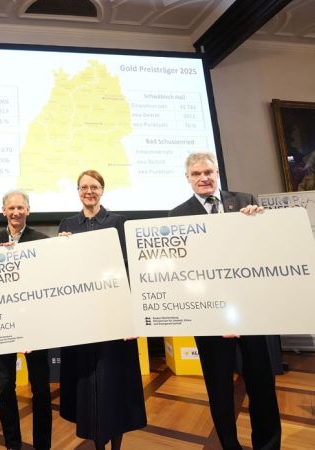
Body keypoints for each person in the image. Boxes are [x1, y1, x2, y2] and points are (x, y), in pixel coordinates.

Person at [169, 152, 281, 450]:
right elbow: (179, 269)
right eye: (196, 174)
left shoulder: (245, 201)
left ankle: (268, 445)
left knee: (262, 382)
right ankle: (230, 446)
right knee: (219, 387)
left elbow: (264, 248)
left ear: (217, 173)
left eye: (208, 172)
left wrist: (260, 222)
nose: (203, 178)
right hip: (209, 315)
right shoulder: (176, 215)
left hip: (251, 310)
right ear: (187, 178)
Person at [58, 170, 146, 449]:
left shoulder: (119, 222)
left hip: (115, 316)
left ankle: (116, 445)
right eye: (84, 187)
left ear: (102, 190)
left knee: (115, 382)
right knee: (87, 383)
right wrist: (60, 248)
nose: (89, 191)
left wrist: (131, 317)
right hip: (83, 319)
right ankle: (96, 443)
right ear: (78, 191)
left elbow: (131, 267)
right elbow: (61, 270)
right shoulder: (67, 224)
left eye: (94, 187)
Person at [0, 190, 52, 450]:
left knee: (41, 389)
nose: (16, 212)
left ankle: (43, 445)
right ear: (4, 211)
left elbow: (47, 281)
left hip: (36, 326)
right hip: (4, 324)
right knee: (4, 387)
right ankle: (13, 444)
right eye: (11, 208)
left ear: (28, 210)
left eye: (20, 208)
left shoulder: (42, 241)